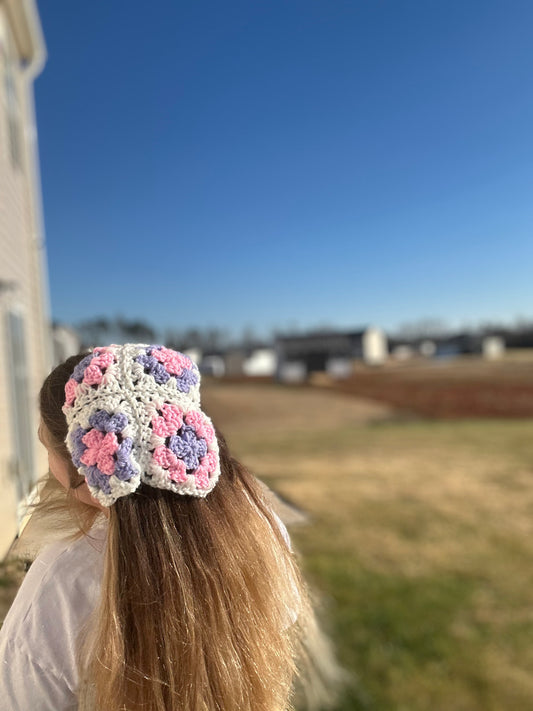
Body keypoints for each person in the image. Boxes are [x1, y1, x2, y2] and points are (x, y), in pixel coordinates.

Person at [0, 344, 340, 711]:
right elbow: (283, 615)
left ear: (82, 464)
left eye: (45, 445)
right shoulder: (259, 525)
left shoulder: (61, 582)